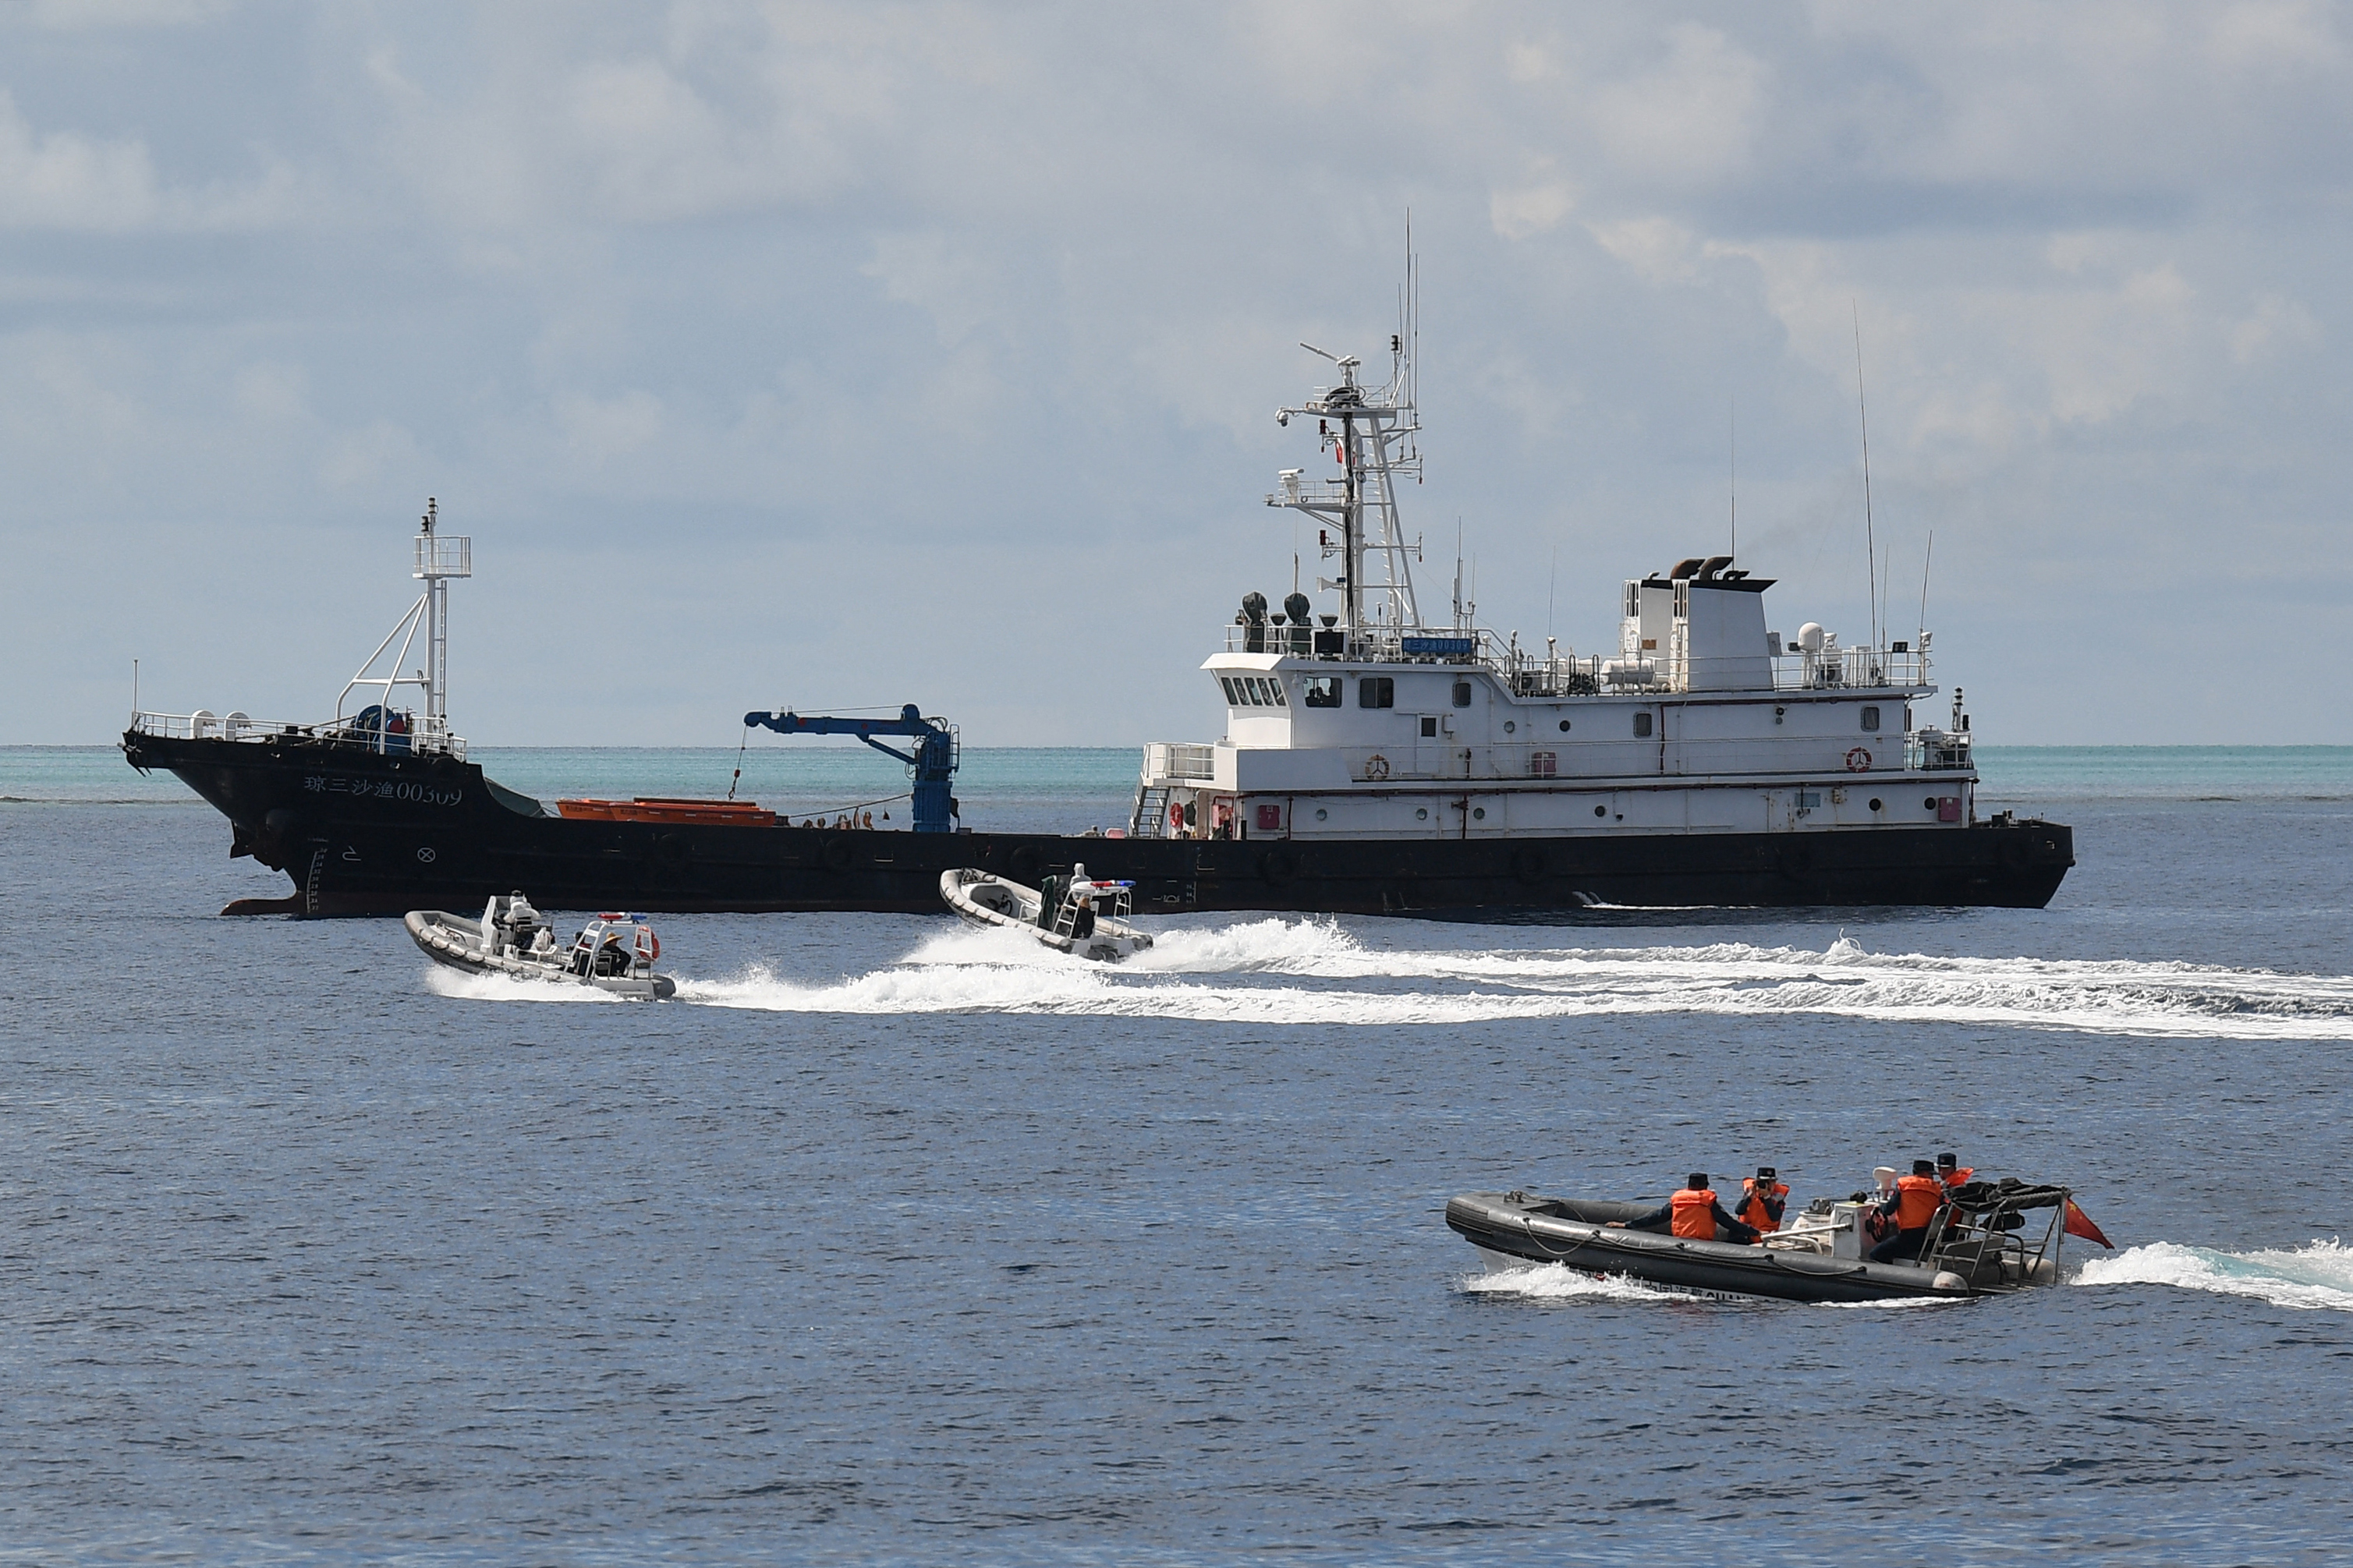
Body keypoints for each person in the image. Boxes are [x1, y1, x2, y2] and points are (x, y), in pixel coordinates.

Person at [1607, 1172, 1760, 1244]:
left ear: (1689, 1186)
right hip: (1702, 1246)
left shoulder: (1677, 1201)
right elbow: (1728, 1223)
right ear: (1705, 1186)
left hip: (1680, 1242)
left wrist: (1627, 1225)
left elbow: (1655, 1218)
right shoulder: (1708, 1202)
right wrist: (1755, 1232)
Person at [1869, 1159, 1947, 1264]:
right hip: (1930, 1239)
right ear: (1925, 1173)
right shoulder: (1937, 1189)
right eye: (1931, 1174)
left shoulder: (1904, 1186)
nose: (1932, 1178)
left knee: (1875, 1255)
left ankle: (1889, 1273)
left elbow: (1888, 1210)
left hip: (1910, 1238)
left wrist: (1881, 1207)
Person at [1735, 1166, 1789, 1235]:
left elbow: (1775, 1217)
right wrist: (1749, 1197)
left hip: (1766, 1235)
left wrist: (1766, 1197)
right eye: (1765, 1182)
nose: (1768, 1185)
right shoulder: (1751, 1192)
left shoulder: (1778, 1195)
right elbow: (1739, 1211)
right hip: (1747, 1234)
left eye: (1772, 1181)